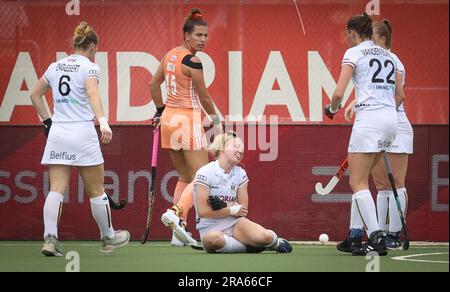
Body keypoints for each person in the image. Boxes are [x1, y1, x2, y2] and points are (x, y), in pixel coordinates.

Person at [30, 22, 130, 256]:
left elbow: (34, 94)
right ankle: (108, 238)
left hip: (58, 133)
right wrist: (103, 121)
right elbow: (92, 92)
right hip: (82, 133)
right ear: (93, 47)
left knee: (56, 190)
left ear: (75, 44)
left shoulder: (55, 66)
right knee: (96, 189)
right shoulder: (90, 67)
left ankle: (50, 239)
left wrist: (47, 121)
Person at [324, 13, 405, 256]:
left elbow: (338, 93)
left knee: (357, 182)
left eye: (347, 34)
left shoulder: (354, 53)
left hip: (369, 120)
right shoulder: (389, 55)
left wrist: (332, 109)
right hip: (391, 121)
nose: (347, 39)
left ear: (352, 32)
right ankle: (355, 236)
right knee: (364, 178)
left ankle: (376, 237)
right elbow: (399, 94)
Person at [150, 8, 221, 246]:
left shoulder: (170, 55)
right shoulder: (193, 61)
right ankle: (176, 212)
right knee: (202, 176)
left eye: (205, 35)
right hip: (188, 121)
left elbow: (153, 85)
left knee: (185, 175)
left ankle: (176, 232)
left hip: (170, 120)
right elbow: (205, 97)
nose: (203, 40)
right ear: (186, 35)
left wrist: (160, 111)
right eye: (198, 35)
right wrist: (217, 120)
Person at [343, 19, 411, 250]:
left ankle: (390, 234)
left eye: (372, 35)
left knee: (388, 182)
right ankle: (366, 234)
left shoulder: (391, 59)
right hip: (384, 121)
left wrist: (376, 113)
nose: (368, 39)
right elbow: (376, 90)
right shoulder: (379, 57)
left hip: (391, 122)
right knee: (377, 182)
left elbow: (397, 95)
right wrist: (357, 103)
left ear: (380, 38)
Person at [193, 132, 292, 254]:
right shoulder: (205, 172)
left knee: (265, 237)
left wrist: (225, 206)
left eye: (242, 148)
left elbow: (243, 210)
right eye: (236, 146)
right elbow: (203, 212)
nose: (241, 150)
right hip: (209, 227)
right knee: (214, 240)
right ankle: (249, 247)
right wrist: (231, 209)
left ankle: (275, 242)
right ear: (223, 148)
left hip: (234, 223)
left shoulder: (241, 174)